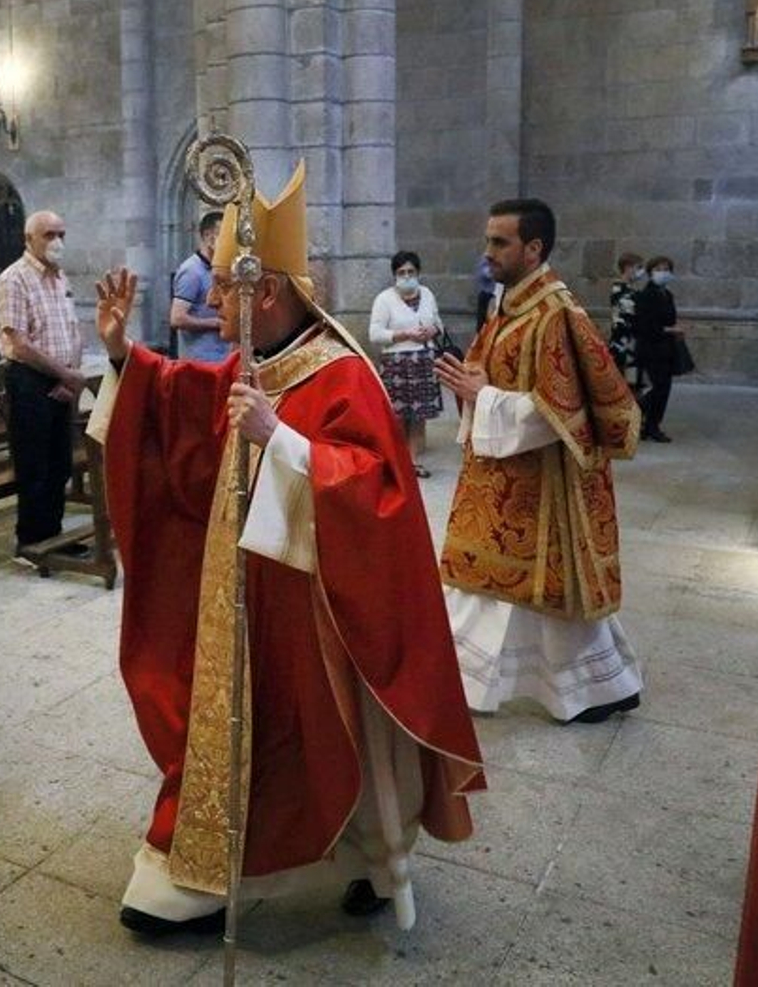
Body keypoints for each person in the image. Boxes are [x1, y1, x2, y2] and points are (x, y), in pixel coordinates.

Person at [87, 160, 483, 937]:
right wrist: (126, 360)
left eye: (226, 292)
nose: (215, 306)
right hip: (249, 595)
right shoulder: (260, 361)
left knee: (330, 735)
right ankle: (214, 875)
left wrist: (287, 443)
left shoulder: (341, 372)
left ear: (264, 291)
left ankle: (372, 860)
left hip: (323, 609)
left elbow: (378, 492)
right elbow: (192, 401)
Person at [435, 199, 644, 725]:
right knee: (495, 582)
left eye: (500, 242)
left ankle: (596, 688)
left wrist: (484, 397)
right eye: (488, 240)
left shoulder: (556, 314)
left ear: (534, 248)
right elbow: (490, 372)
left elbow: (562, 413)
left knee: (546, 588)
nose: (488, 252)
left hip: (544, 485)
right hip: (501, 475)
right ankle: (588, 686)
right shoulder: (507, 305)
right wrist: (473, 388)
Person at [0, 210, 86, 563]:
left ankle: (53, 535)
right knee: (35, 465)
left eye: (61, 233)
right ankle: (30, 543)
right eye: (49, 234)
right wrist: (64, 374)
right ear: (29, 239)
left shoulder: (59, 277)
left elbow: (72, 330)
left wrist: (71, 374)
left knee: (60, 463)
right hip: (29, 381)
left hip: (61, 378)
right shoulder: (13, 279)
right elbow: (18, 343)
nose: (57, 241)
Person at [369, 251, 444, 478]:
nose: (407, 276)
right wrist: (405, 334)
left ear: (418, 273)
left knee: (418, 416)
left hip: (424, 361)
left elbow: (438, 322)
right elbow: (375, 334)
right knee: (398, 417)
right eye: (402, 272)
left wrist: (433, 330)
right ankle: (397, 463)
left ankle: (413, 462)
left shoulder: (428, 294)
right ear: (395, 275)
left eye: (411, 272)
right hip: (398, 365)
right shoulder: (384, 299)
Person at [168, 211, 228, 362]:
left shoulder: (220, 267)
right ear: (209, 237)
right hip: (200, 360)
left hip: (222, 357)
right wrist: (214, 323)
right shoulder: (191, 271)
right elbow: (177, 318)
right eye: (224, 236)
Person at [633, 255, 680, 443]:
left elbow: (669, 318)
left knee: (664, 387)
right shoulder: (646, 295)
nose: (664, 272)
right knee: (660, 388)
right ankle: (649, 423)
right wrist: (669, 329)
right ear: (651, 272)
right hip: (651, 348)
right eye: (659, 269)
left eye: (667, 269)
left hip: (666, 347)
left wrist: (674, 330)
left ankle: (647, 422)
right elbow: (644, 326)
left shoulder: (667, 295)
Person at [606, 252, 645, 392]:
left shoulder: (629, 289)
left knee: (632, 383)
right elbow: (626, 319)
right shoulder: (620, 289)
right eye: (638, 267)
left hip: (630, 344)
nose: (641, 271)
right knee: (626, 385)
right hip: (624, 345)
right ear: (628, 267)